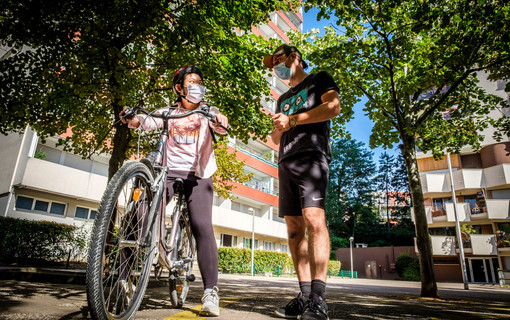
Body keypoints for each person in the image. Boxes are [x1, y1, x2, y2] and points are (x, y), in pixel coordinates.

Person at [121, 65, 228, 317]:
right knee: (137, 216)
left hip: (198, 176)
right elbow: (144, 122)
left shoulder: (206, 112)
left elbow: (221, 125)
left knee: (203, 226)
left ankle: (211, 292)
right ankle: (123, 280)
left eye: (200, 82)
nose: (197, 86)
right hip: (167, 172)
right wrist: (131, 118)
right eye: (192, 82)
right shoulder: (168, 112)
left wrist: (220, 119)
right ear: (179, 88)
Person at [263, 44, 340, 320]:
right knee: (294, 230)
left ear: (294, 57)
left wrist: (293, 120)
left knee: (314, 219)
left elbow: (333, 107)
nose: (276, 67)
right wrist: (275, 128)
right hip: (286, 162)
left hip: (311, 157)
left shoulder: (318, 79)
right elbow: (276, 137)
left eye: (278, 60)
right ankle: (305, 296)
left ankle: (319, 299)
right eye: (273, 64)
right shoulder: (282, 98)